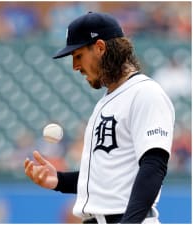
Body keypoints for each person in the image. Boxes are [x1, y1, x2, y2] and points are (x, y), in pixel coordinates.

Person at [24, 12, 174, 224]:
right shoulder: (107, 101)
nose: (75, 66)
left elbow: (154, 165)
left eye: (78, 55)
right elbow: (107, 176)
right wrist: (59, 180)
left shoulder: (145, 92)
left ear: (100, 47)